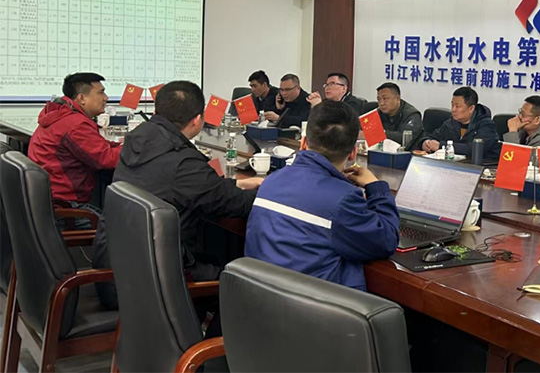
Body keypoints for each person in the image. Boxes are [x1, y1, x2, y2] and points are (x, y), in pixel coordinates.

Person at [92, 81, 263, 309]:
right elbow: (237, 204)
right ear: (197, 120)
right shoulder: (182, 162)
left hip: (116, 269)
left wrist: (238, 183)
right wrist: (273, 191)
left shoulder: (138, 139)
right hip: (154, 284)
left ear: (157, 111)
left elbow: (186, 185)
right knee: (247, 284)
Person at [245, 100, 399, 291]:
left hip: (261, 300)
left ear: (303, 143)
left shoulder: (271, 181)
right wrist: (376, 188)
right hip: (315, 306)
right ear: (353, 153)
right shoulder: (343, 199)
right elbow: (386, 241)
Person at [28, 73, 122, 218]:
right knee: (121, 225)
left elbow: (96, 145)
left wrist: (121, 145)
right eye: (101, 92)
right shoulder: (75, 124)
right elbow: (107, 159)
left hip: (48, 200)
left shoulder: (61, 113)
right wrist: (133, 147)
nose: (106, 98)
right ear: (81, 98)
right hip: (66, 206)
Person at [418, 87, 500, 160]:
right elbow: (433, 136)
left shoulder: (486, 125)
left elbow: (473, 149)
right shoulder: (451, 123)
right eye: (452, 105)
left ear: (471, 108)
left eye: (457, 106)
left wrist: (442, 146)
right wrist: (425, 142)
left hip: (484, 167)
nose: (453, 110)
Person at [375, 82, 423, 150]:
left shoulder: (412, 114)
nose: (381, 103)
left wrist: (380, 134)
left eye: (385, 98)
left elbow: (405, 138)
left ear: (397, 98)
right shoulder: (379, 112)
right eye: (379, 99)